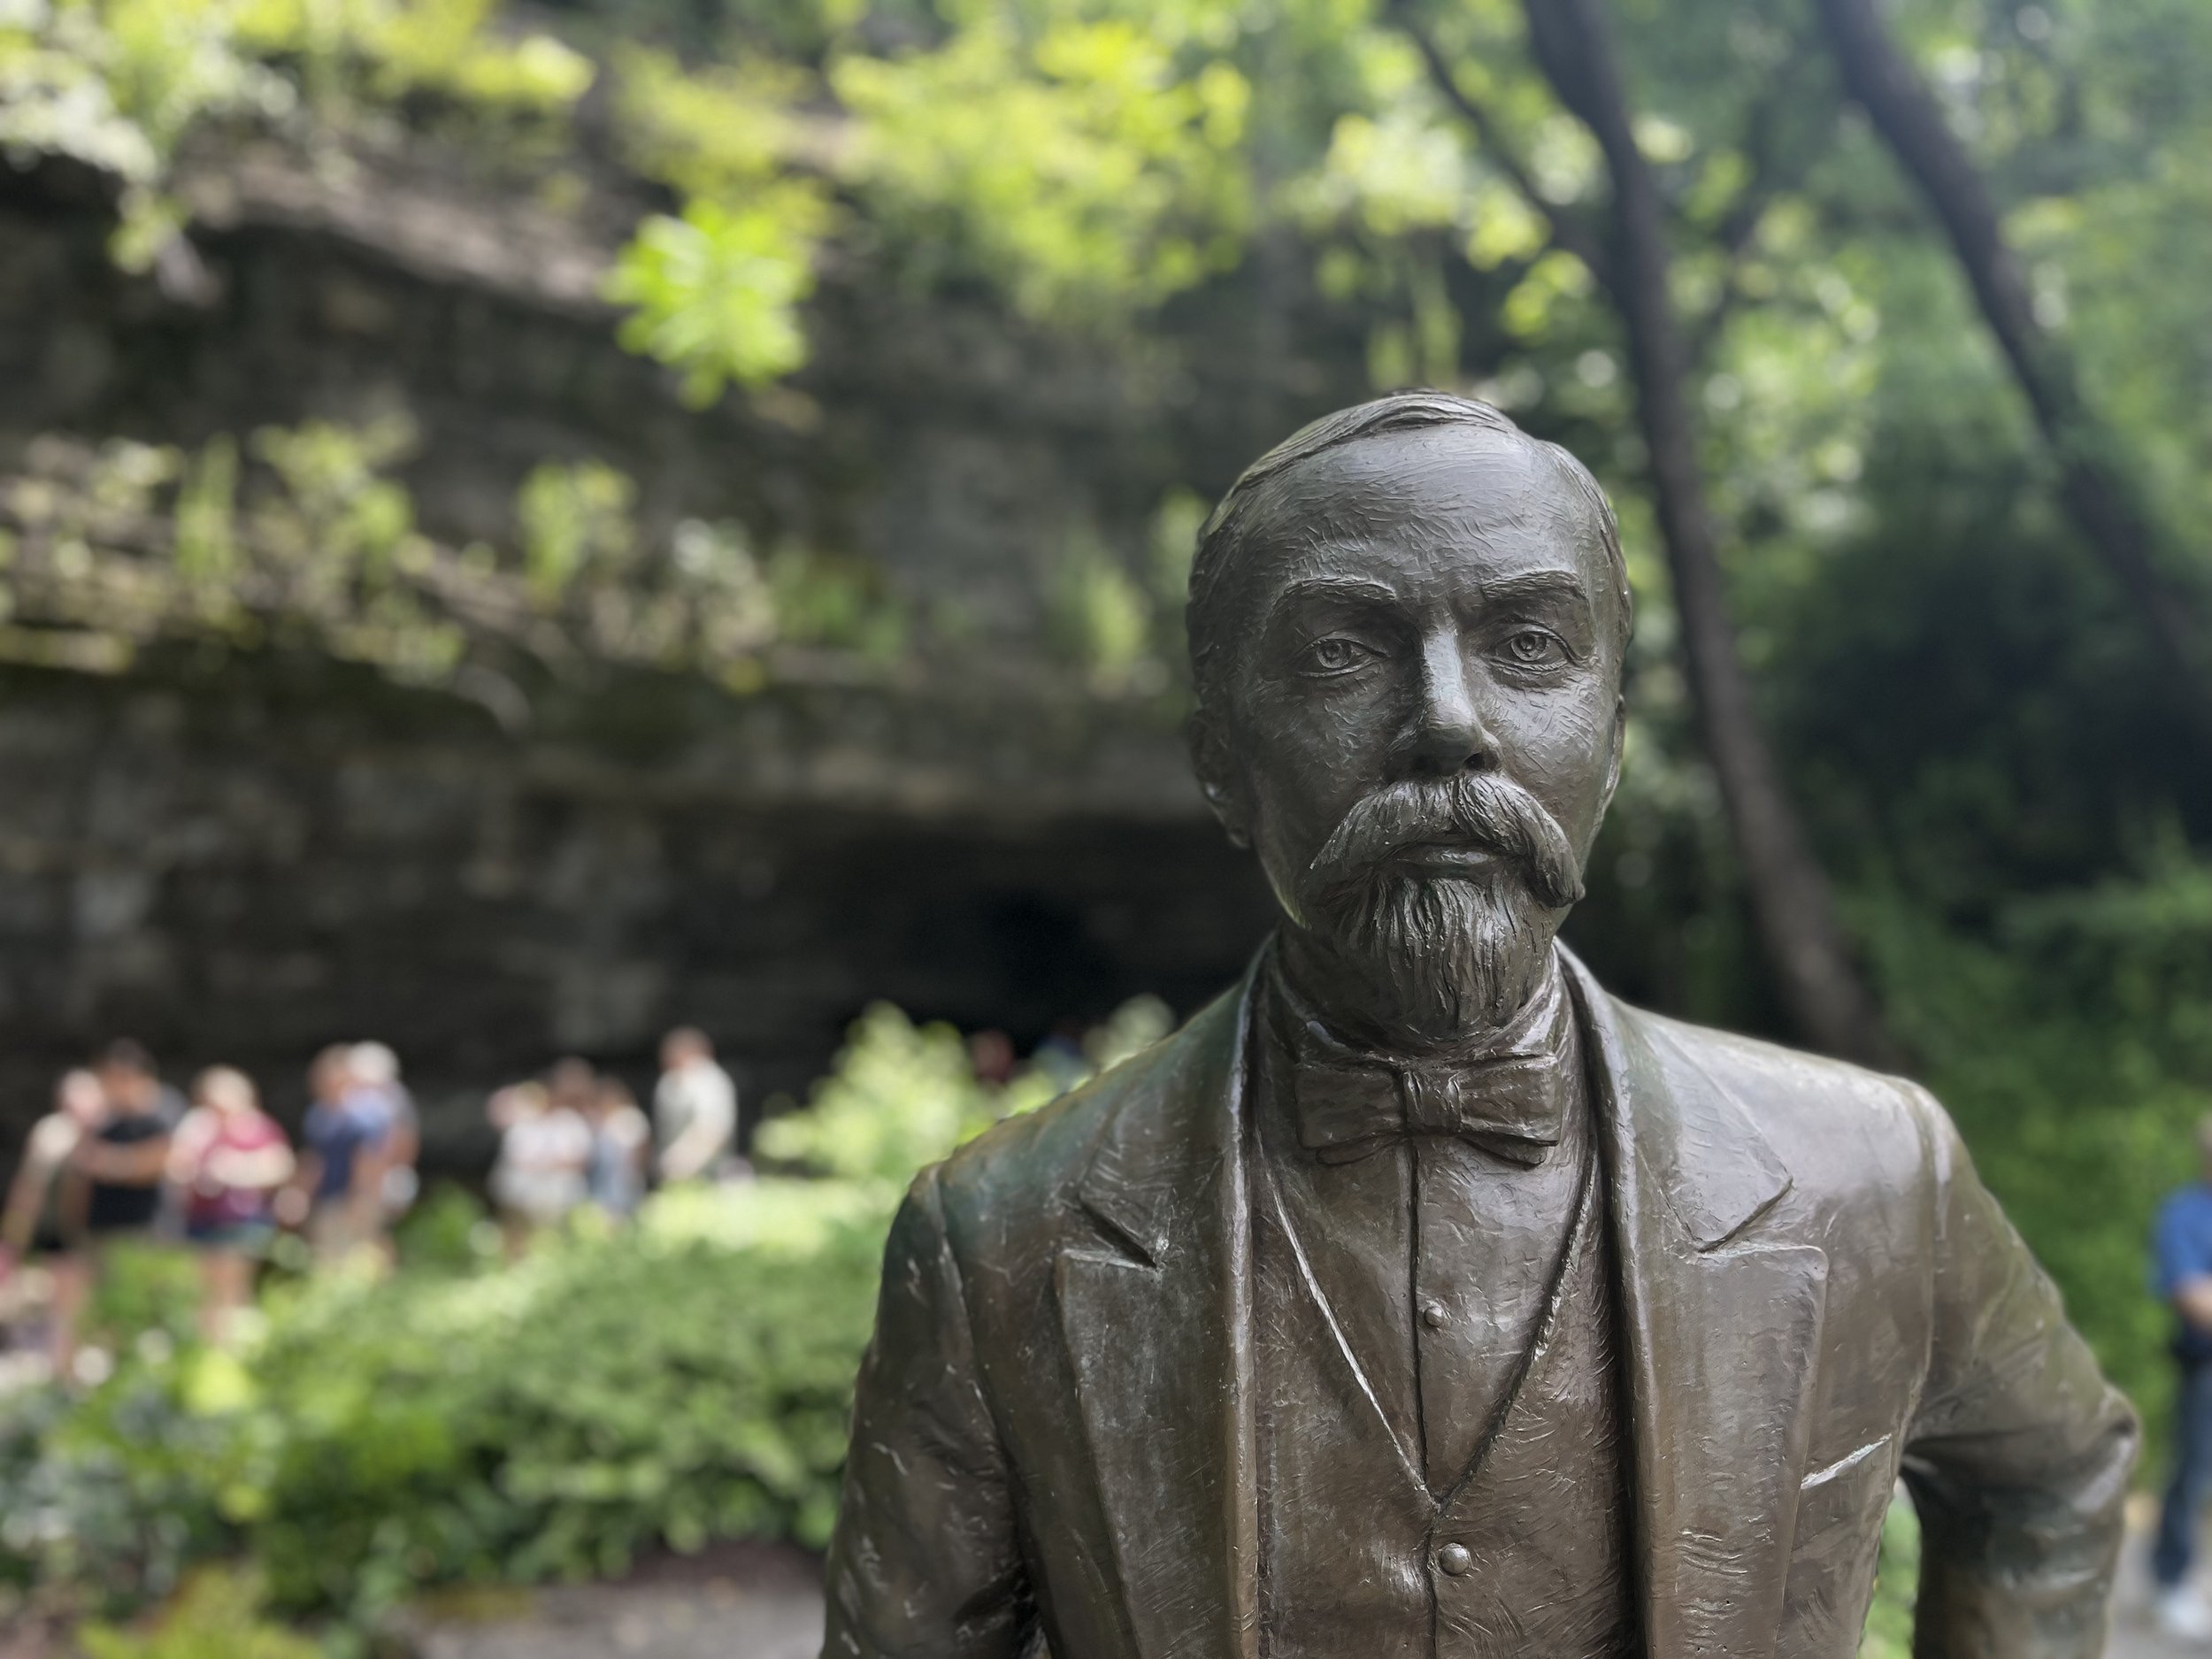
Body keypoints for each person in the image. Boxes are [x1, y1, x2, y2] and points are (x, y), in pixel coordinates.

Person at [822, 395, 2136, 1659]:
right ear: (1220, 758)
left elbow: (2052, 1478)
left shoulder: (1875, 1176)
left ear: (1612, 740)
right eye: (1342, 649)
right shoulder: (1000, 1239)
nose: (1448, 722)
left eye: (1528, 644)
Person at [54, 1050, 174, 1374]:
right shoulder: (104, 1123)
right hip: (97, 1229)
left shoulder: (155, 1119)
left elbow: (158, 1163)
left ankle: (136, 1374)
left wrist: (111, 1163)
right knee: (98, 1305)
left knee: (133, 1302)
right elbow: (79, 1172)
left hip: (138, 1227)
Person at [168, 1067, 292, 1344]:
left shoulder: (258, 1127)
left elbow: (281, 1167)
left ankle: (238, 1347)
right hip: (202, 1220)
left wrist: (236, 1169)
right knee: (204, 1288)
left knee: (234, 1285)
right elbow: (177, 1168)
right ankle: (211, 1349)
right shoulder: (198, 1129)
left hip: (243, 1220)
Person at [2152, 1118, 2212, 1637]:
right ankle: (2172, 1581)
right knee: (2193, 1476)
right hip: (2205, 1369)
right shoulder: (2185, 1214)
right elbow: (2193, 1298)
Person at [289, 1045, 391, 1263]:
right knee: (326, 1258)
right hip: (327, 1198)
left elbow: (371, 1160)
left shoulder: (367, 1113)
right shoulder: (318, 1115)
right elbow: (314, 1160)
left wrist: (361, 1198)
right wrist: (300, 1195)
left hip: (355, 1198)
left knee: (363, 1257)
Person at [0, 1070, 105, 1278]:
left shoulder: (112, 1130)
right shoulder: (52, 1134)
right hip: (59, 1232)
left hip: (105, 1229)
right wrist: (14, 1234)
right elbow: (29, 1188)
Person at [487, 1078, 590, 1251]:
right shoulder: (520, 1127)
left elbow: (577, 1158)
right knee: (518, 1233)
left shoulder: (564, 1122)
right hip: (518, 1193)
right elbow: (521, 1160)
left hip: (553, 1193)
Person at [349, 1041, 420, 1232]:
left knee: (374, 1230)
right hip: (371, 1177)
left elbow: (402, 1142)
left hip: (382, 1178)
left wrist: (375, 1181)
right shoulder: (372, 1100)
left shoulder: (388, 1102)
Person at [652, 1028, 736, 1185]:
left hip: (709, 1178)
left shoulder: (709, 1078)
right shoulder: (667, 1082)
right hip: (675, 1178)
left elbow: (714, 1130)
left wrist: (680, 1163)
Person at [583, 1077, 651, 1220]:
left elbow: (642, 1152)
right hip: (602, 1180)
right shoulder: (599, 1120)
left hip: (626, 1179)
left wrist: (635, 1173)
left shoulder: (631, 1117)